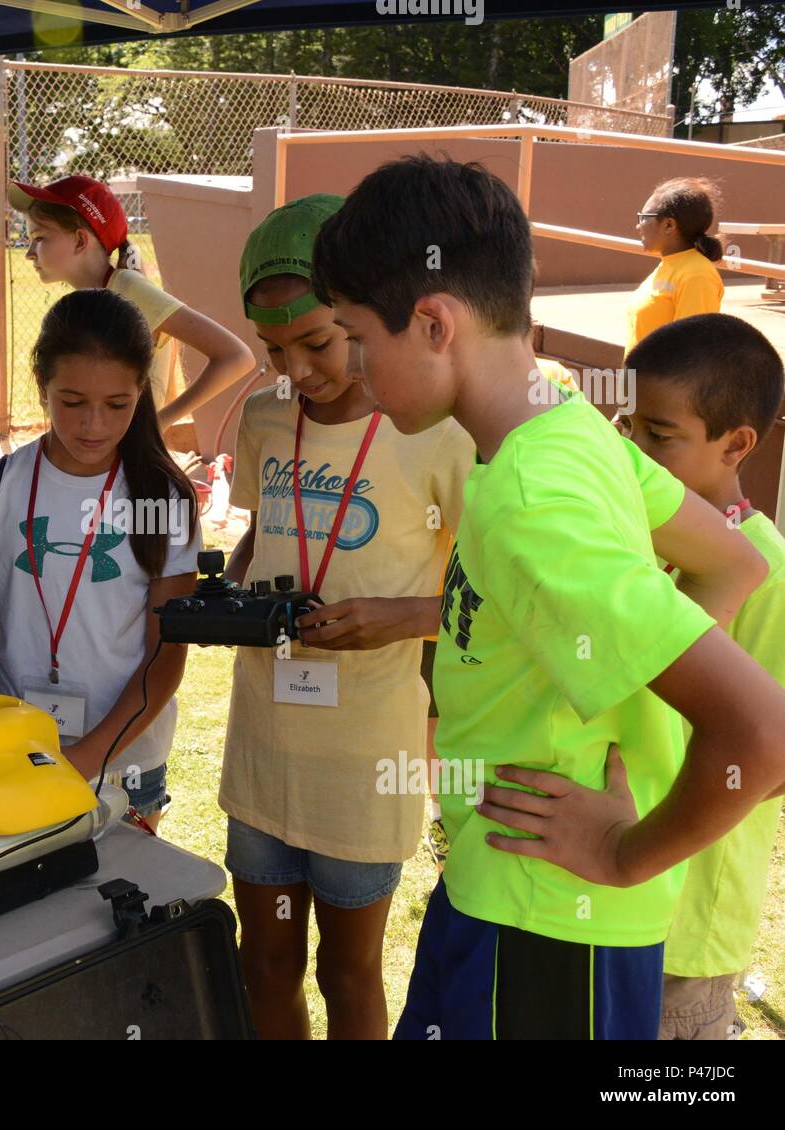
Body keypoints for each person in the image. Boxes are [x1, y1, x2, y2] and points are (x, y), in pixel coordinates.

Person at [311, 155, 785, 1040]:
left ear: (432, 321)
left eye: (355, 336)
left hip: (548, 924)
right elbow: (731, 566)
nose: (353, 366)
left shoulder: (533, 502)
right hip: (513, 897)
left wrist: (621, 851)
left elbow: (763, 734)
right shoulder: (563, 420)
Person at [221, 196, 473, 1039]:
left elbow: (495, 598)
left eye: (319, 343)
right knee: (265, 962)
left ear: (364, 317)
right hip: (263, 744)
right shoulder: (263, 417)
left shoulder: (435, 433)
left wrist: (402, 617)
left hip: (367, 757)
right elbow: (259, 531)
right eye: (273, 352)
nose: (296, 370)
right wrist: (230, 589)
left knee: (348, 971)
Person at [0, 289, 202, 828]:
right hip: (18, 752)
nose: (94, 426)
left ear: (141, 393)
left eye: (117, 405)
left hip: (127, 763)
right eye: (73, 401)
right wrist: (12, 742)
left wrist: (85, 759)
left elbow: (165, 655)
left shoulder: (159, 498)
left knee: (119, 901)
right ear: (42, 388)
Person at [617, 314, 785, 1040]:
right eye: (628, 428)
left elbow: (774, 754)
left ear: (736, 444)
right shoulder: (634, 544)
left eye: (659, 436)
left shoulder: (766, 571)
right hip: (617, 886)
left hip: (688, 918)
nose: (632, 450)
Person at [11, 175, 255, 432]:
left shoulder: (129, 288)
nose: (29, 253)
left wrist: (158, 424)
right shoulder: (84, 303)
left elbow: (236, 357)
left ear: (80, 241)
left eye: (39, 238)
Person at [626, 177, 725, 354]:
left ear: (669, 225)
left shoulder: (697, 275)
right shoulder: (669, 264)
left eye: (643, 218)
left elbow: (692, 349)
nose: (637, 226)